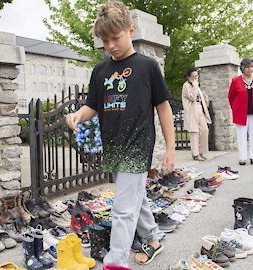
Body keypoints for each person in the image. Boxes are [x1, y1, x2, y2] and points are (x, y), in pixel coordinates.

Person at [64, 1, 175, 267]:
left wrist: (170, 148)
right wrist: (78, 115)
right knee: (134, 194)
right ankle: (153, 238)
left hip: (138, 144)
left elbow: (163, 107)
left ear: (131, 30)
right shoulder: (100, 71)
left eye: (116, 37)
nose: (111, 45)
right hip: (113, 144)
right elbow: (93, 105)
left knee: (123, 208)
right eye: (105, 41)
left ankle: (116, 261)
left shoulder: (147, 66)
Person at [228, 58, 253, 166]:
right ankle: (242, 158)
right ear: (242, 68)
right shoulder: (236, 81)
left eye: (251, 67)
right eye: (247, 67)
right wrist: (235, 108)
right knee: (241, 137)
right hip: (240, 113)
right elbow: (231, 96)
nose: (249, 69)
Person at [182, 67, 212, 161]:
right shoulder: (186, 86)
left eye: (196, 76)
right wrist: (195, 86)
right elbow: (192, 97)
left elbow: (201, 97)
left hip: (199, 109)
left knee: (204, 130)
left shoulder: (196, 85)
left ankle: (202, 151)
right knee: (194, 132)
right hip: (192, 110)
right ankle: (195, 154)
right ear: (189, 77)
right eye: (193, 76)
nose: (195, 78)